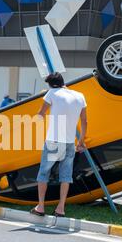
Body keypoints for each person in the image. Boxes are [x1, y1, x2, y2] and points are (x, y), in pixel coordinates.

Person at [30, 73, 87, 217]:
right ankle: (60, 208)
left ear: (51, 85)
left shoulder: (51, 93)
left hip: (53, 141)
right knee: (66, 176)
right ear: (62, 82)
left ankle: (41, 207)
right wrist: (80, 141)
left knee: (44, 173)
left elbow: (41, 113)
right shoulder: (80, 96)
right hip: (69, 142)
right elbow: (84, 121)